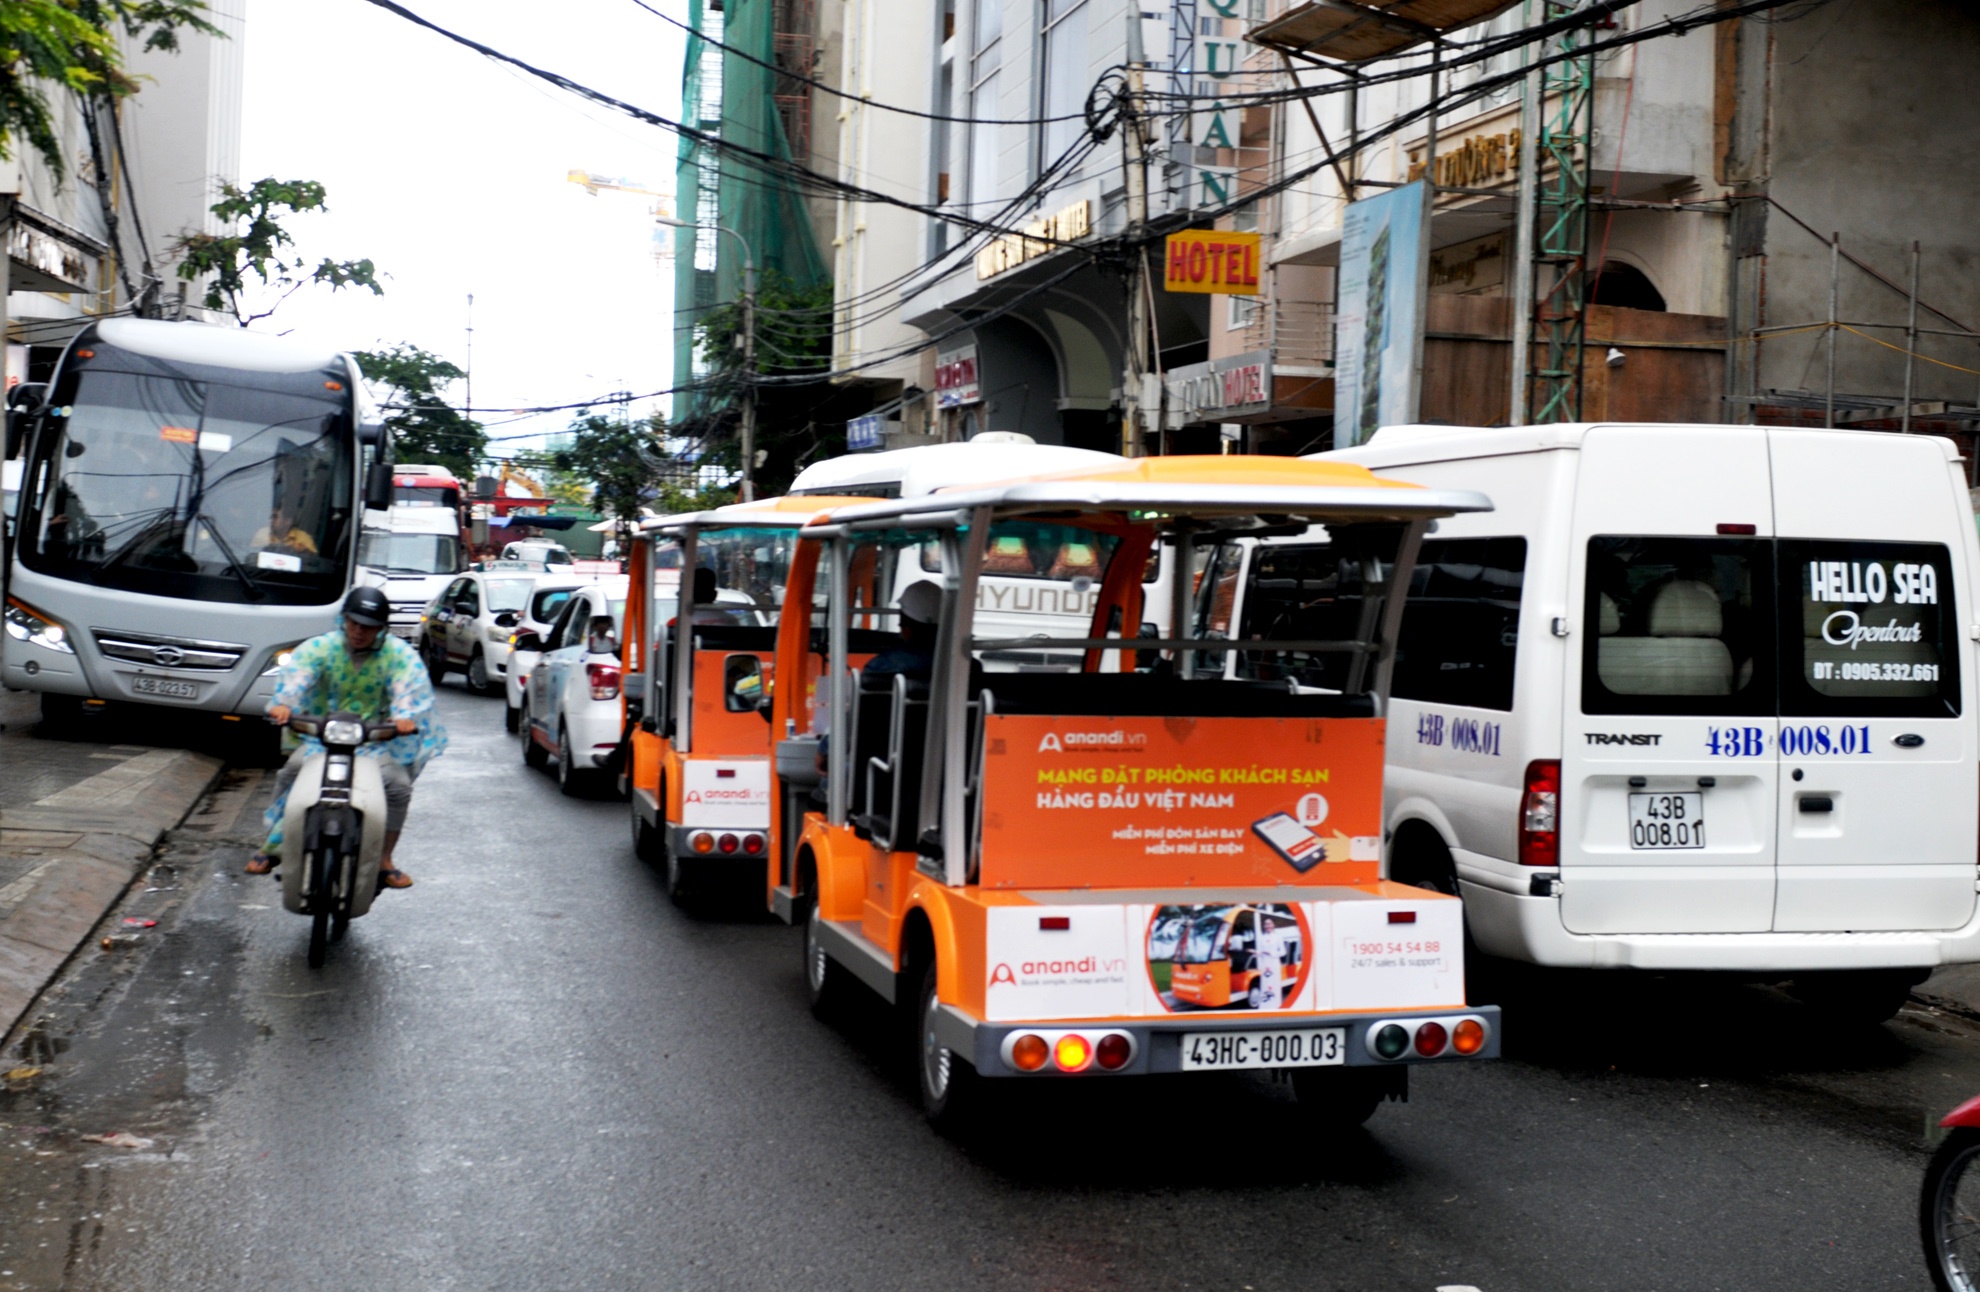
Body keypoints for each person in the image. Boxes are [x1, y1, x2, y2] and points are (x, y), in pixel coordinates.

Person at [245, 586, 447, 888]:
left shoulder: (398, 655)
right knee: (291, 772)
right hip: (321, 740)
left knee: (399, 788)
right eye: (354, 623)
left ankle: (384, 860)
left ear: (381, 629)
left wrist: (404, 717)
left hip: (376, 742)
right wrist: (285, 704)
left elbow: (408, 686)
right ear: (344, 620)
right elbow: (298, 674)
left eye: (368, 627)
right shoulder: (321, 648)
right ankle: (272, 848)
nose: (359, 631)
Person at [252, 503, 318, 556]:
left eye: (275, 517)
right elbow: (253, 556)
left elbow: (312, 561)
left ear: (288, 521)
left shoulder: (303, 537)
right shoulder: (262, 533)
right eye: (271, 516)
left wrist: (299, 551)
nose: (271, 520)